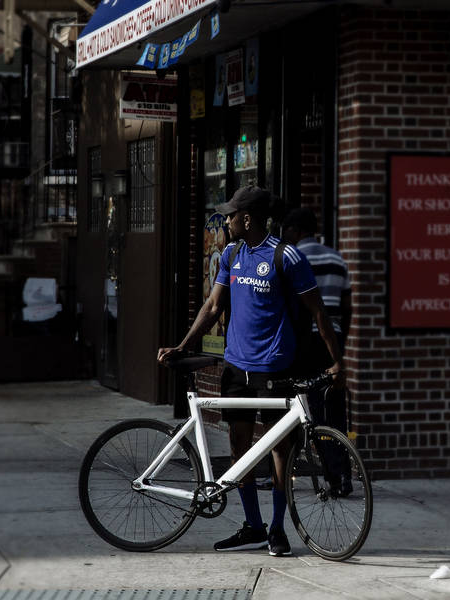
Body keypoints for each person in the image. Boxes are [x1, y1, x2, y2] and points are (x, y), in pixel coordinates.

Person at [157, 186, 345, 557]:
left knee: (279, 450)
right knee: (239, 447)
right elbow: (212, 306)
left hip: (274, 367)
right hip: (236, 366)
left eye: (230, 215)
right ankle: (253, 526)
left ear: (247, 219)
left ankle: (277, 529)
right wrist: (184, 344)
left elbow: (319, 312)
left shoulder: (286, 257)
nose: (225, 221)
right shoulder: (230, 253)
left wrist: (337, 360)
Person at [282, 207, 353, 495]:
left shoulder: (295, 257)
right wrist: (340, 344)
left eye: (287, 231)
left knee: (311, 411)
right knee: (336, 410)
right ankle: (345, 474)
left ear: (296, 231)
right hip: (332, 342)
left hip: (305, 342)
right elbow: (347, 307)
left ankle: (329, 476)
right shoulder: (337, 258)